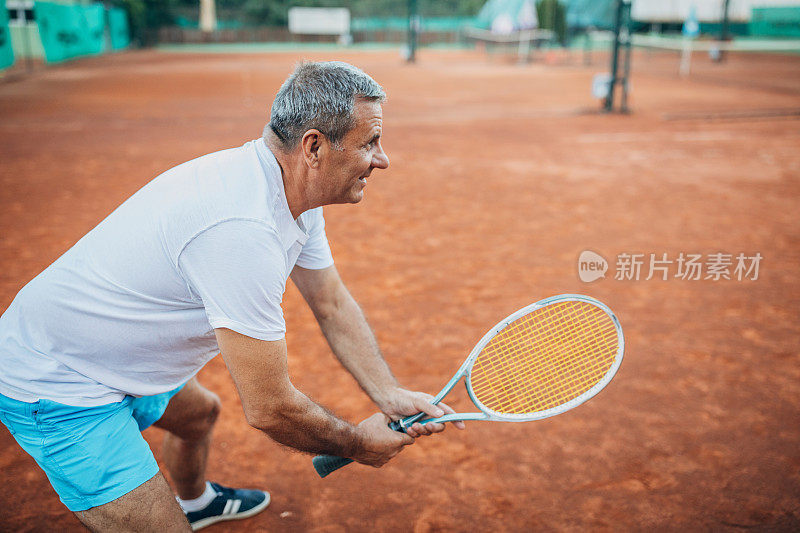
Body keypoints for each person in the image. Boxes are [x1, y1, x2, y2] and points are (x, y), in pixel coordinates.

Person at [0, 61, 463, 532]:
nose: (382, 159)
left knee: (200, 414)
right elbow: (270, 408)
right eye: (370, 142)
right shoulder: (243, 231)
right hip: (57, 380)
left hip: (110, 351)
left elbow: (331, 303)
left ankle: (196, 502)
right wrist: (358, 446)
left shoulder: (291, 195)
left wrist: (387, 393)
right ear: (314, 147)